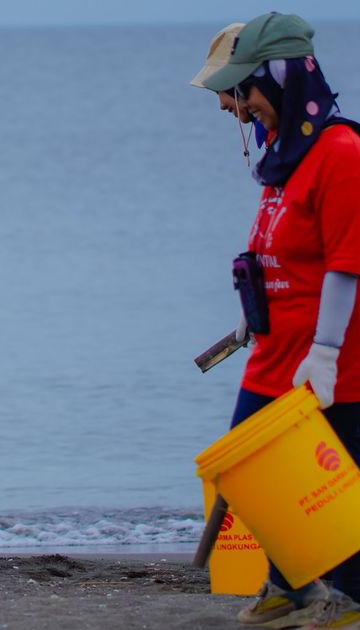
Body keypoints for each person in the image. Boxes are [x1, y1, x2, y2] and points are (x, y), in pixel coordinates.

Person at [200, 13, 360, 629]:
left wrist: (326, 352)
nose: (233, 108)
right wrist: (250, 314)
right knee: (245, 474)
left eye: (242, 91)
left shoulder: (340, 152)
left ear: (282, 78)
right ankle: (290, 588)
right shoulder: (282, 151)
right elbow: (279, 248)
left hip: (330, 357)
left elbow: (347, 263)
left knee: (335, 484)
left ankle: (347, 598)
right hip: (273, 346)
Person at [190, 22, 267, 167]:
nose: (221, 105)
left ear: (240, 83)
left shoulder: (288, 138)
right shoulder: (279, 135)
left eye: (219, 90)